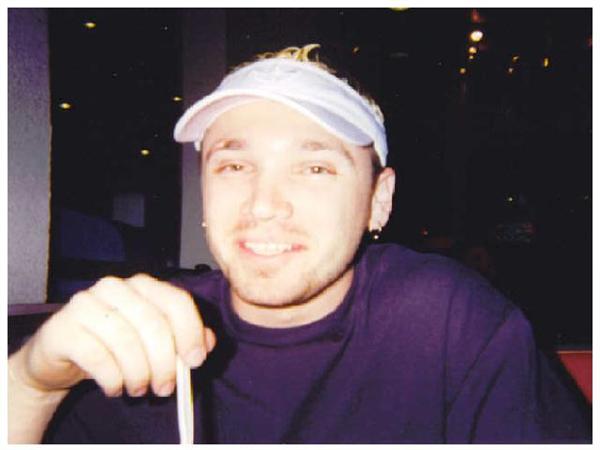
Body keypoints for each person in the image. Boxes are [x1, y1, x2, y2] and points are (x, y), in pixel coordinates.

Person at [8, 44, 590, 444]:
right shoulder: (144, 335)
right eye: (234, 166)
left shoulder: (446, 320)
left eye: (315, 169)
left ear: (378, 200)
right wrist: (31, 384)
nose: (264, 205)